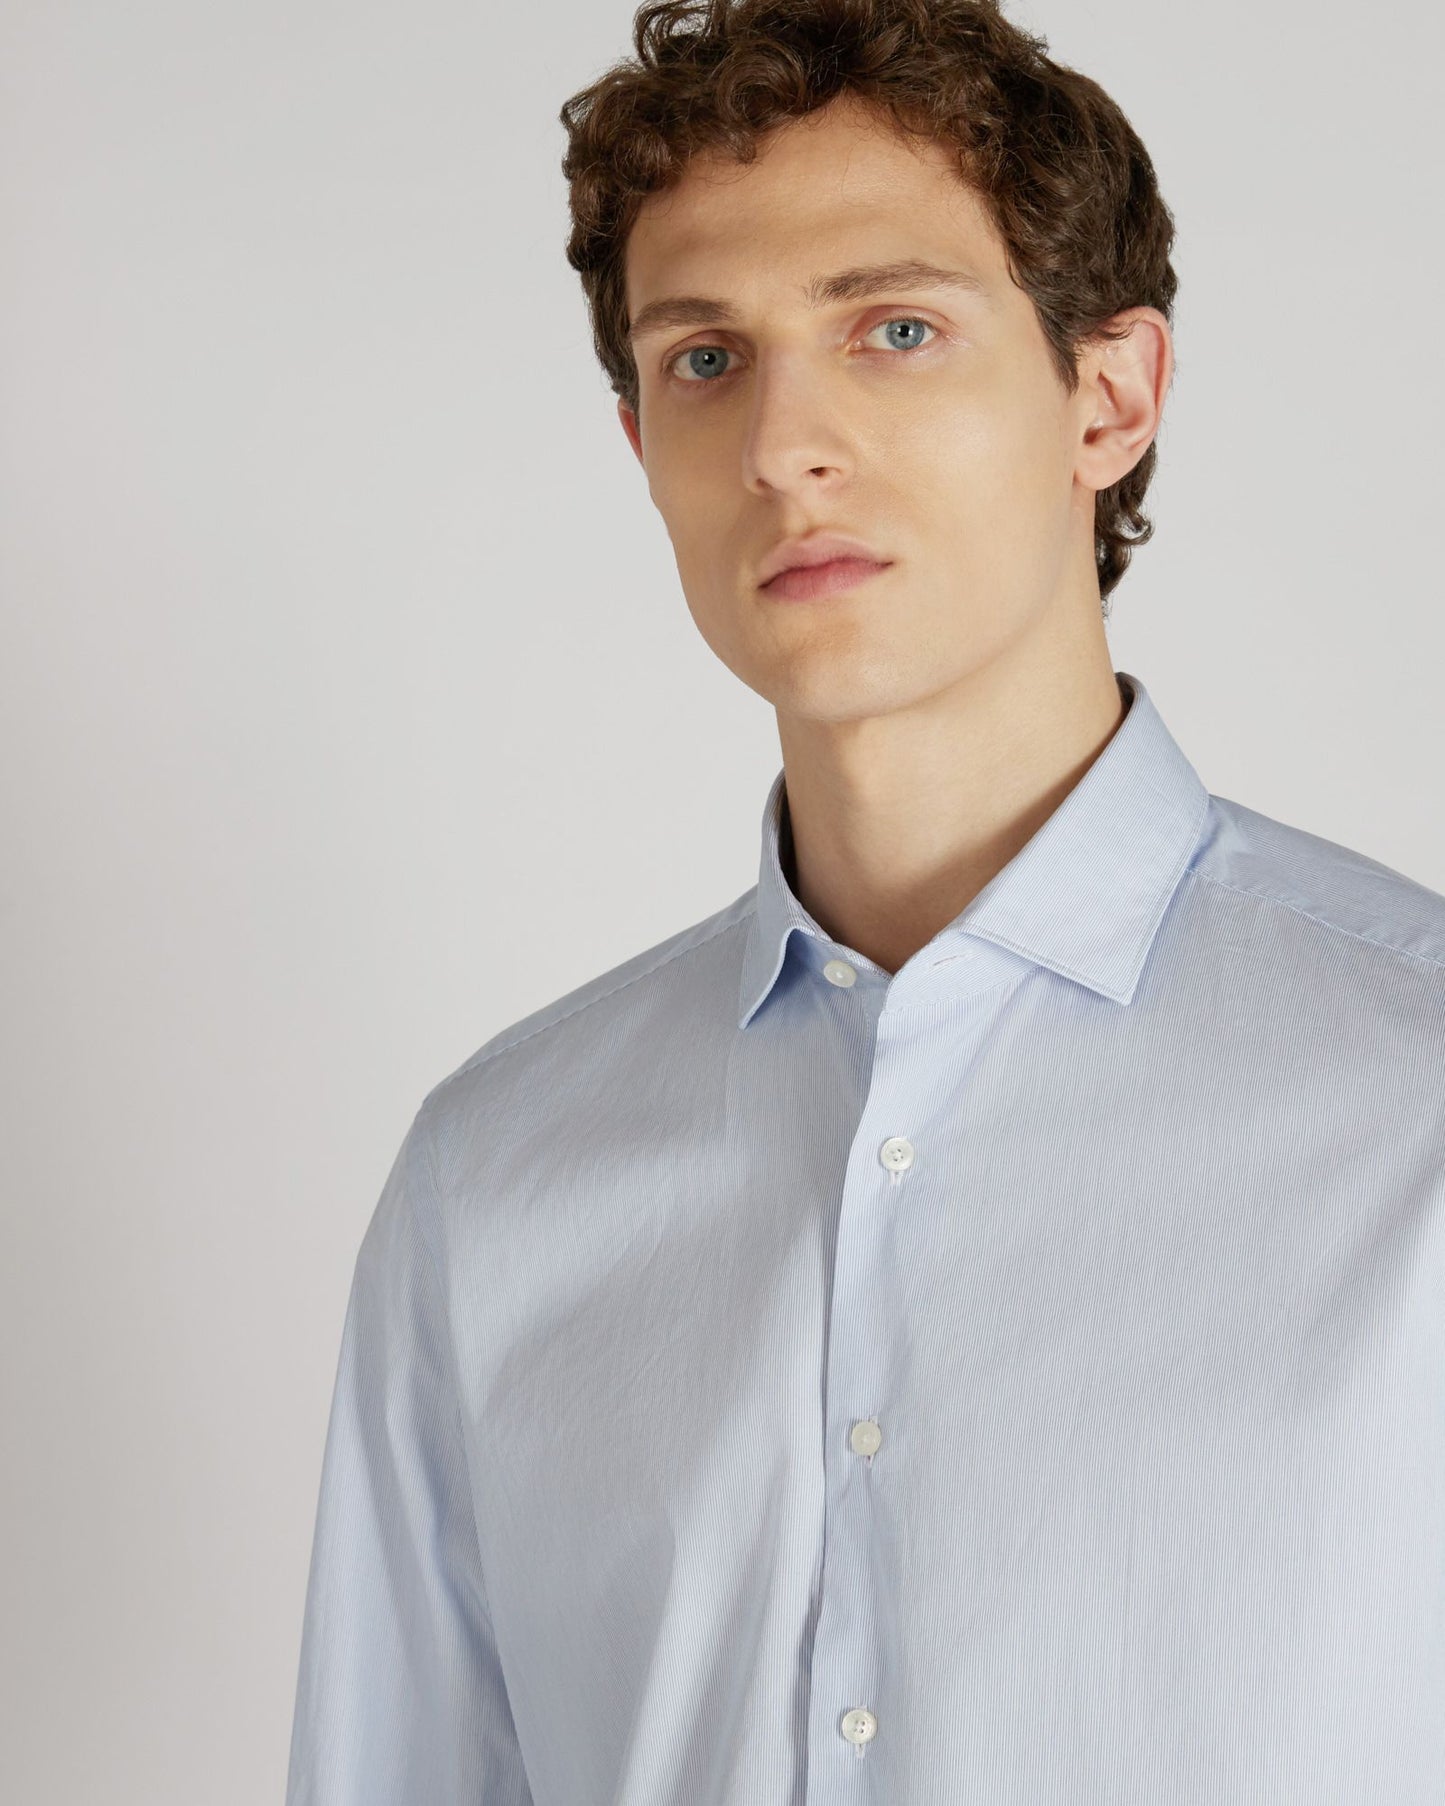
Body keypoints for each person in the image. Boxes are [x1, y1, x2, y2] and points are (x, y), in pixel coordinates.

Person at [284, 2, 1445, 1800]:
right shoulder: (492, 1181)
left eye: (893, 329)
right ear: (639, 445)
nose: (781, 443)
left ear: (1107, 395)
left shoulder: (1414, 1095)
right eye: (705, 358)